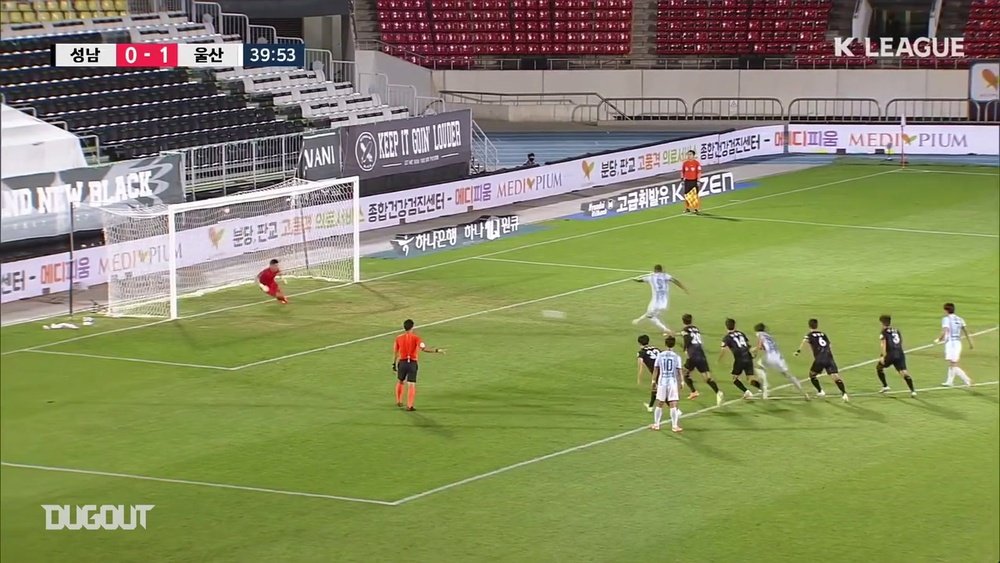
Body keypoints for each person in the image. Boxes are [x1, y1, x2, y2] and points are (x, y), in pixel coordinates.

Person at [393, 319, 445, 411]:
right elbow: (424, 349)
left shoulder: (398, 338)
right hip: (412, 363)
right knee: (411, 384)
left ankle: (399, 401)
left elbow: (396, 352)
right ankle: (409, 406)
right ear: (412, 327)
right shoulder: (416, 338)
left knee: (400, 381)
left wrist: (394, 364)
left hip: (402, 362)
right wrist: (437, 350)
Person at [794, 319, 849, 402]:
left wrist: (798, 351)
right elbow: (830, 345)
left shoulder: (810, 335)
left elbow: (804, 341)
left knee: (812, 375)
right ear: (817, 325)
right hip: (829, 357)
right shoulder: (823, 334)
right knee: (835, 376)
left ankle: (820, 391)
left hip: (819, 359)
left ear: (809, 326)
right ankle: (844, 394)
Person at [753, 323, 808, 399]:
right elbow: (767, 346)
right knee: (788, 375)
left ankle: (765, 388)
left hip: (770, 357)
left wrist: (753, 352)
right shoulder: (770, 336)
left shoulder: (760, 334)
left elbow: (759, 346)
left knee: (758, 367)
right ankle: (804, 393)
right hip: (779, 357)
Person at [679, 314, 724, 405]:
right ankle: (718, 392)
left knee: (685, 373)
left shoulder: (685, 330)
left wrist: (685, 350)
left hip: (692, 355)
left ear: (683, 321)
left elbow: (687, 339)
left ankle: (694, 391)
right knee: (707, 377)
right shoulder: (696, 328)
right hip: (701, 354)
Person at [632, 264, 687, 335]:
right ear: (661, 270)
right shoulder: (665, 275)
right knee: (652, 314)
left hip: (655, 303)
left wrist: (634, 278)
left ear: (654, 270)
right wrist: (684, 288)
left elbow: (638, 280)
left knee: (650, 316)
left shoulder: (650, 277)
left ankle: (666, 329)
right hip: (664, 303)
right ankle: (638, 320)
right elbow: (675, 280)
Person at [719, 318, 764, 399]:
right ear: (735, 325)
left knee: (734, 378)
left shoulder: (726, 338)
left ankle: (747, 392)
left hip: (739, 359)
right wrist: (754, 352)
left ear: (726, 327)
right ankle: (762, 388)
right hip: (748, 357)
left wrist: (720, 359)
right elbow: (747, 345)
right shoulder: (741, 333)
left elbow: (723, 349)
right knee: (750, 379)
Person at [934, 302, 974, 387]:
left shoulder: (946, 319)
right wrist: (970, 342)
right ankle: (951, 381)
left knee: (953, 363)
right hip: (957, 343)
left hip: (950, 343)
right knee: (953, 363)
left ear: (946, 310)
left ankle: (965, 379)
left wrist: (939, 339)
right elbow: (966, 331)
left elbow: (945, 330)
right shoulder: (960, 319)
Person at [876, 314, 916, 397]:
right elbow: (900, 341)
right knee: (904, 372)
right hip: (900, 353)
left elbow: (884, 344)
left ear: (882, 323)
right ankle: (913, 391)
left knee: (879, 367)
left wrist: (883, 356)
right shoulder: (896, 330)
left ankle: (885, 386)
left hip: (890, 354)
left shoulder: (883, 332)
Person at [651, 335, 684, 433]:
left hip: (662, 381)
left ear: (665, 344)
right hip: (672, 382)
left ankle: (656, 424)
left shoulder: (660, 355)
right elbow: (679, 370)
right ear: (674, 344)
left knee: (660, 402)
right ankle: (674, 426)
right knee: (673, 403)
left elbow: (656, 368)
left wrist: (653, 381)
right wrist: (682, 381)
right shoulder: (676, 356)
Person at [636, 335, 661, 412]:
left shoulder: (641, 353)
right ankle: (650, 406)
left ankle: (676, 411)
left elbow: (640, 366)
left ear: (639, 343)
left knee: (662, 392)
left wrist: (639, 378)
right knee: (655, 389)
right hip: (664, 370)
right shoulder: (656, 349)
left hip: (657, 373)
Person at [681, 150, 702, 214]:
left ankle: (696, 208)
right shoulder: (685, 163)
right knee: (686, 195)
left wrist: (698, 180)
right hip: (687, 181)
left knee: (695, 195)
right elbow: (682, 171)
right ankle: (687, 208)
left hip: (694, 181)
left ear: (693, 155)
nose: (689, 156)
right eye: (688, 154)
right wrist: (682, 179)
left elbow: (699, 172)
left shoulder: (696, 163)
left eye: (690, 154)